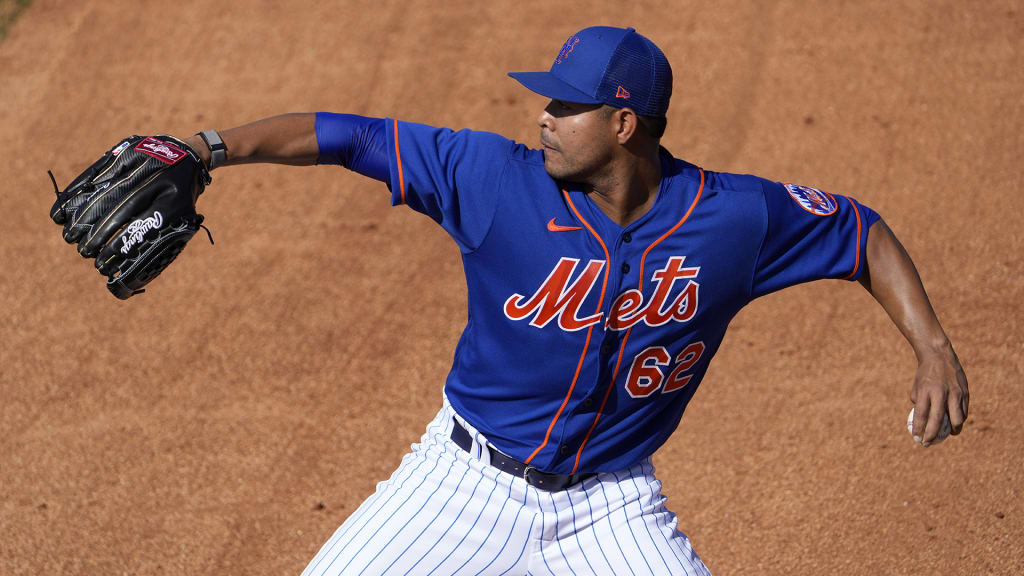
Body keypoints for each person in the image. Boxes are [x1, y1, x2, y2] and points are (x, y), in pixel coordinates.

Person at [179, 26, 968, 576]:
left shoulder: (735, 219)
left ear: (624, 123)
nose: (543, 118)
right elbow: (346, 136)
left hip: (611, 506)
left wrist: (931, 345)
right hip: (462, 486)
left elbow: (860, 231)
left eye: (565, 107)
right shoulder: (490, 178)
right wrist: (207, 149)